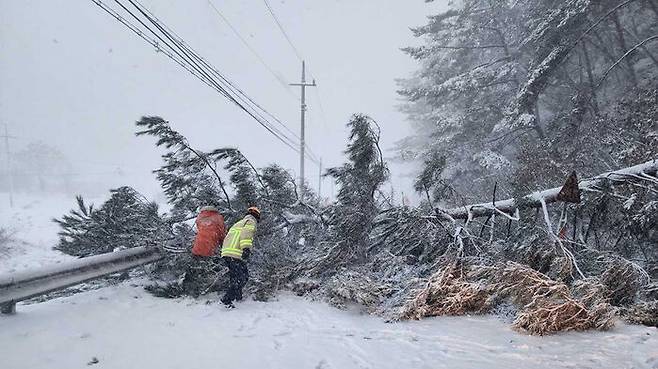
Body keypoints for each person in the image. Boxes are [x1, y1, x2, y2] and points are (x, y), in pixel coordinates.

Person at [220, 206, 260, 308]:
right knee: (242, 278)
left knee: (236, 277)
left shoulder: (239, 222)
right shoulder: (251, 221)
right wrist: (246, 248)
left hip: (227, 252)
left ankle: (238, 297)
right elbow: (246, 234)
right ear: (257, 216)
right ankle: (226, 300)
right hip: (235, 253)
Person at [182, 205, 226, 297]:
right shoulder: (218, 217)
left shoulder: (200, 217)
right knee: (209, 268)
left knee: (193, 267)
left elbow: (200, 229)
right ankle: (208, 287)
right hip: (210, 247)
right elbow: (221, 233)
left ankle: (186, 287)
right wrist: (223, 246)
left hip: (197, 245)